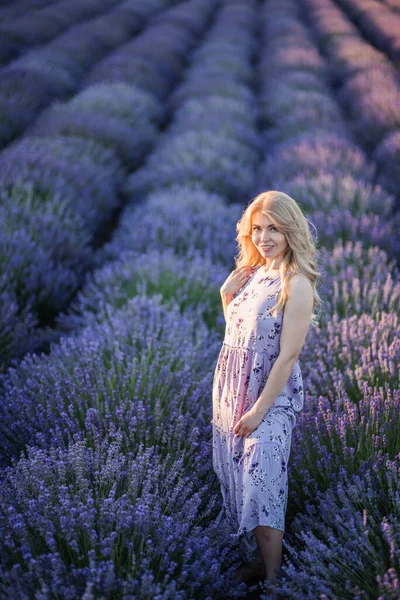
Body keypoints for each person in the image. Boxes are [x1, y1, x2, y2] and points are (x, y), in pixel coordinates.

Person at [211, 190, 322, 586]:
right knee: (241, 483)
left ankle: (274, 581)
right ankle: (259, 564)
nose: (264, 237)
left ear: (291, 229)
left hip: (269, 400)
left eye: (274, 228)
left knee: (263, 484)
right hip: (233, 394)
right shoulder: (256, 273)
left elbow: (287, 357)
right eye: (257, 229)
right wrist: (227, 297)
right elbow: (239, 335)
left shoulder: (297, 284)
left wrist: (259, 410)